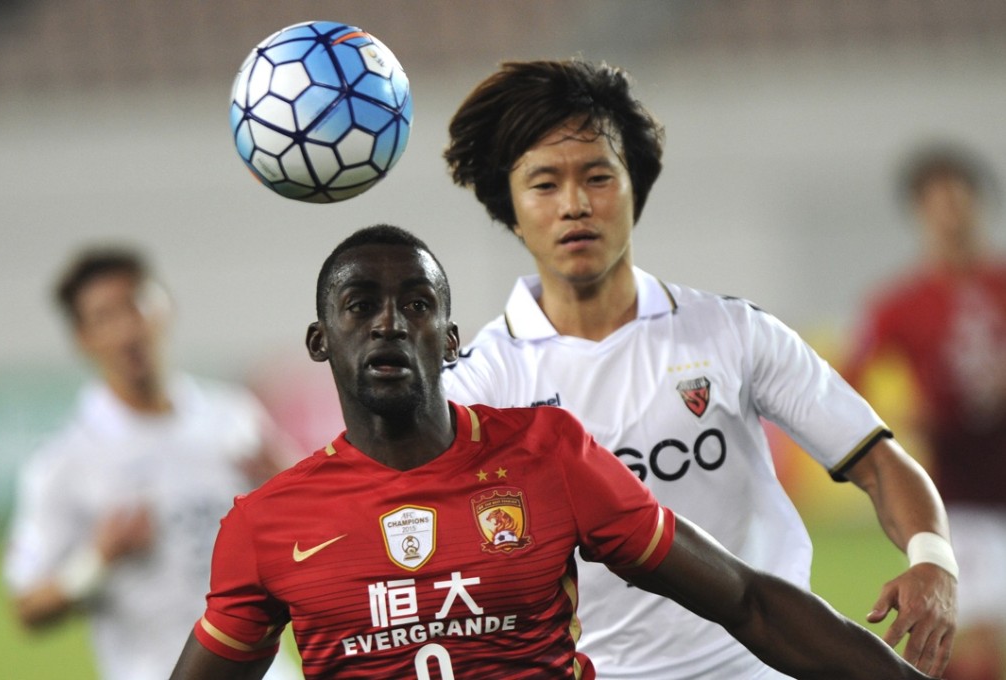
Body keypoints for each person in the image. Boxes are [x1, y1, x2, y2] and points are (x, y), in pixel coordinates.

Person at [170, 223, 938, 679]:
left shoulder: (546, 455)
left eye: (417, 306)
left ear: (452, 338)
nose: (390, 325)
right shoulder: (267, 525)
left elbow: (745, 599)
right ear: (320, 340)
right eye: (360, 306)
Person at [440, 59, 958, 679]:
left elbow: (877, 461)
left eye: (598, 176)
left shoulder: (732, 333)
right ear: (511, 205)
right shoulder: (479, 385)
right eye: (545, 184)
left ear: (636, 186)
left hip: (767, 664)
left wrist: (933, 559)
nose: (575, 204)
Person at [2, 247, 303, 680]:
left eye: (136, 304)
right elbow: (28, 606)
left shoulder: (233, 418)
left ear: (165, 306)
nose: (128, 329)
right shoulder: (65, 461)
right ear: (82, 338)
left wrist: (289, 482)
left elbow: (311, 541)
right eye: (104, 317)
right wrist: (97, 561)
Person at [844, 144, 1006, 680]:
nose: (950, 212)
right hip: (963, 496)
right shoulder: (899, 302)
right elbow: (848, 384)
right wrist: (901, 422)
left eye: (959, 199)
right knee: (978, 648)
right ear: (919, 211)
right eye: (937, 202)